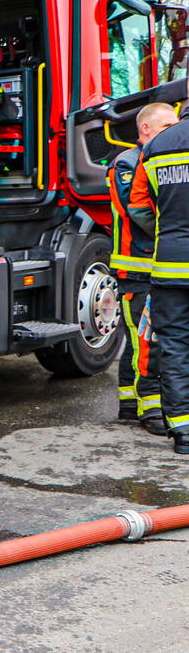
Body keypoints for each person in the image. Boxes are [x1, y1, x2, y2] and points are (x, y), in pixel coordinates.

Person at [107, 103, 177, 434]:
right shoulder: (126, 163)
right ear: (146, 130)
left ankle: (128, 405)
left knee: (137, 340)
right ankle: (150, 409)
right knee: (146, 340)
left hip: (152, 264)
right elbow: (135, 210)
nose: (174, 132)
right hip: (136, 266)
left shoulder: (155, 159)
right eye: (167, 126)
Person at [128, 99, 189, 455]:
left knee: (176, 346)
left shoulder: (155, 148)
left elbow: (137, 206)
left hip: (168, 266)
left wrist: (165, 232)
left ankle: (183, 431)